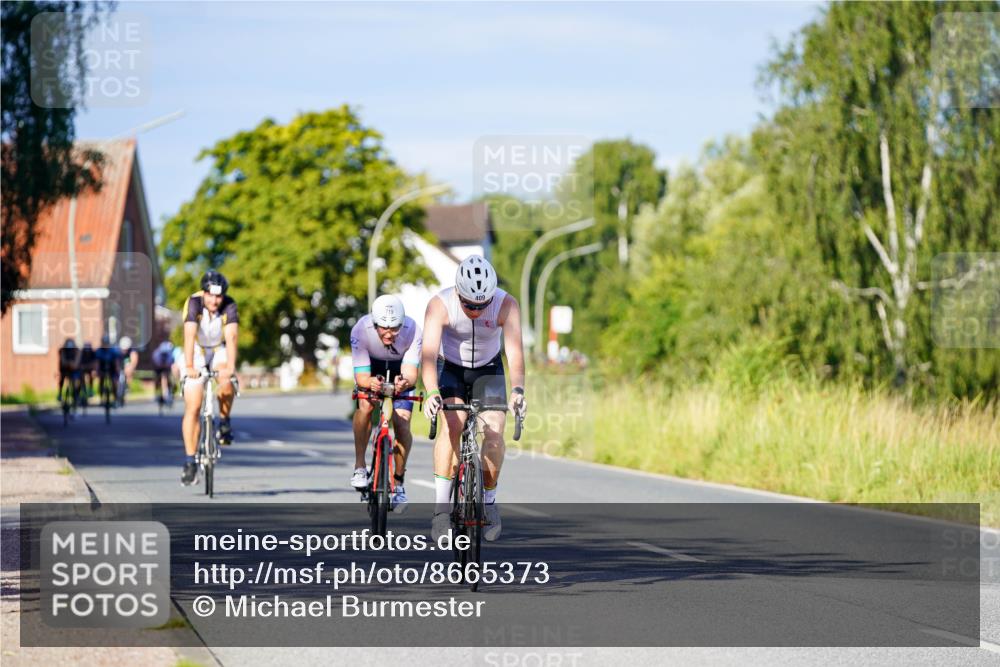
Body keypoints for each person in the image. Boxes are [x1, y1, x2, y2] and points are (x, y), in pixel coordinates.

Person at [421, 255, 526, 542]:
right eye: (469, 305)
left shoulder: (506, 304)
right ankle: (441, 511)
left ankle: (489, 503)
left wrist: (518, 390)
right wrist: (431, 392)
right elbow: (427, 355)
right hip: (450, 367)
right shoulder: (440, 305)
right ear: (458, 293)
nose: (476, 311)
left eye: (482, 305)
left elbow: (515, 352)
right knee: (453, 425)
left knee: (494, 431)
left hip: (488, 368)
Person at [349, 294, 421, 512]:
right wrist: (371, 383)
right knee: (365, 406)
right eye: (384, 328)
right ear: (374, 323)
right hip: (372, 368)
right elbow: (362, 376)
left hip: (400, 370)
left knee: (402, 423)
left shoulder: (413, 329)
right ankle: (360, 466)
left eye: (395, 328)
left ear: (402, 323)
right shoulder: (361, 330)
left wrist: (404, 382)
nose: (389, 333)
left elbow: (411, 372)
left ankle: (398, 483)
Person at [181, 270, 239, 486]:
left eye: (219, 296)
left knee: (226, 379)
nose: (214, 301)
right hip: (196, 350)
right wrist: (189, 366)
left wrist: (230, 367)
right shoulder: (194, 303)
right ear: (204, 293)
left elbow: (232, 337)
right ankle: (190, 461)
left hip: (217, 349)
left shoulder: (229, 305)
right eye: (211, 295)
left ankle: (224, 421)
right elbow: (189, 335)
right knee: (194, 405)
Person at [93, 334, 122, 405]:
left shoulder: (113, 351)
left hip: (112, 368)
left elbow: (116, 363)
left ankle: (115, 398)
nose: (105, 345)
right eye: (104, 343)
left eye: (106, 343)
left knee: (114, 383)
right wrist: (96, 371)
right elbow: (97, 363)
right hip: (103, 367)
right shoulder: (99, 351)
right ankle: (101, 398)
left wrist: (117, 371)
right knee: (101, 382)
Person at [57, 338, 82, 403]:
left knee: (77, 380)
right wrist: (69, 364)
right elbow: (63, 362)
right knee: (62, 378)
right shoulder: (62, 351)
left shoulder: (77, 351)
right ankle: (60, 393)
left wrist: (71, 364)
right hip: (65, 370)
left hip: (75, 370)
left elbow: (76, 364)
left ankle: (76, 395)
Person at [117, 335, 139, 406]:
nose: (124, 350)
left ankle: (127, 387)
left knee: (129, 370)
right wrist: (117, 368)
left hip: (127, 363)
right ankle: (117, 391)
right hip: (119, 364)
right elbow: (115, 361)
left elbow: (134, 360)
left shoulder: (132, 351)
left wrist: (131, 368)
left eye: (126, 349)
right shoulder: (117, 351)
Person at [152, 340, 176, 404]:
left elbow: (171, 362)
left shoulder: (170, 354)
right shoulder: (156, 354)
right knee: (157, 379)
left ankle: (170, 391)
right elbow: (156, 363)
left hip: (166, 367)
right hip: (158, 368)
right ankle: (157, 393)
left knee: (169, 378)